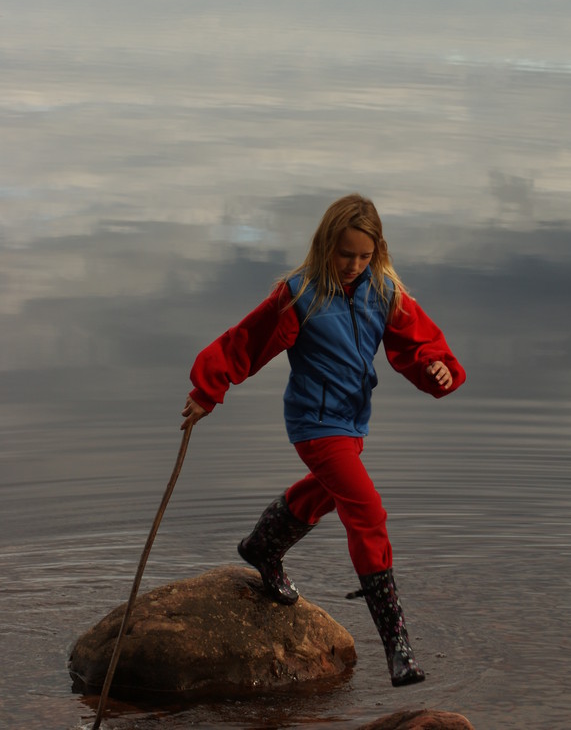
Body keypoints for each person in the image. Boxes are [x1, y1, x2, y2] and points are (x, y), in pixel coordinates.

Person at [181, 193, 466, 687]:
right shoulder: (300, 293)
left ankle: (263, 547)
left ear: (377, 251)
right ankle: (396, 646)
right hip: (314, 423)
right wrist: (208, 390)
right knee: (367, 511)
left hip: (352, 422)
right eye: (345, 254)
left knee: (331, 492)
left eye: (364, 255)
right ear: (325, 246)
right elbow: (247, 340)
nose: (354, 265)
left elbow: (421, 348)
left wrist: (436, 370)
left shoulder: (385, 292)